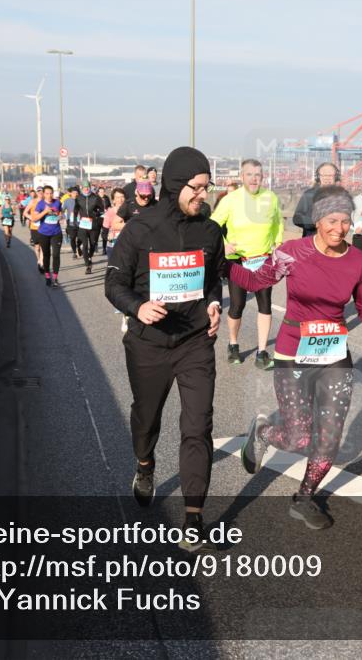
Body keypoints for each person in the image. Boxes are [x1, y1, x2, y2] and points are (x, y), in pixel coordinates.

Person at [233, 185, 362, 528]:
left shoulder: (356, 260)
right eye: (332, 220)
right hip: (294, 350)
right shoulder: (292, 252)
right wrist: (221, 263)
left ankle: (304, 498)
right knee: (298, 437)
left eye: (346, 221)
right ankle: (264, 433)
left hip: (334, 353)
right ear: (318, 220)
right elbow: (255, 280)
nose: (340, 228)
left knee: (329, 438)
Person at [105, 146, 225, 552]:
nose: (202, 196)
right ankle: (144, 463)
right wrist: (138, 307)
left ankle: (194, 516)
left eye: (207, 189)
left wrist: (213, 303)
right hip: (149, 345)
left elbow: (214, 280)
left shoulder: (209, 231)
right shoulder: (140, 229)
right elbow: (114, 284)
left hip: (194, 342)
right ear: (175, 185)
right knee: (146, 418)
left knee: (198, 425)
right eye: (196, 188)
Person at [211, 159, 282, 369]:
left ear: (262, 177)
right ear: (242, 177)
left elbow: (278, 222)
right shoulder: (230, 199)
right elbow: (213, 224)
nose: (254, 179)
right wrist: (223, 244)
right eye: (249, 174)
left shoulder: (271, 198)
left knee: (265, 305)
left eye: (258, 175)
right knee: (237, 305)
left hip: (264, 260)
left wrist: (277, 243)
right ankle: (233, 344)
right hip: (238, 261)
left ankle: (262, 353)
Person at [293, 162, 340, 237]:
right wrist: (315, 222)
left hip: (333, 242)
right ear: (318, 177)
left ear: (336, 177)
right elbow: (296, 218)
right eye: (324, 175)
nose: (327, 178)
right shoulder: (308, 195)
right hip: (311, 242)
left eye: (330, 175)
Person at [33, 185, 64, 287]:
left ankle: (55, 278)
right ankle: (47, 276)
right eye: (47, 193)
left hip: (56, 233)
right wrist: (45, 211)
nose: (49, 195)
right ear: (44, 194)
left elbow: (61, 214)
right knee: (46, 255)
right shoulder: (40, 204)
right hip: (44, 233)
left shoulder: (57, 202)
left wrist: (60, 216)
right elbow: (34, 218)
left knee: (56, 255)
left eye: (51, 193)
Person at [74, 184, 104, 274]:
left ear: (90, 188)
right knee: (85, 245)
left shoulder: (95, 197)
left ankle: (90, 257)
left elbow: (101, 209)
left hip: (93, 224)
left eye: (87, 187)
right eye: (84, 187)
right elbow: (76, 209)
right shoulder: (78, 198)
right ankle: (88, 265)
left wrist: (97, 214)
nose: (86, 189)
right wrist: (75, 220)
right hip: (83, 224)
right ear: (82, 188)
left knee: (93, 244)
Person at [93, 185, 112, 257]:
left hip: (105, 218)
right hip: (98, 218)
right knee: (96, 234)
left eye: (103, 191)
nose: (102, 193)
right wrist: (99, 212)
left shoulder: (106, 198)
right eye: (101, 192)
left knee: (105, 234)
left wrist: (108, 209)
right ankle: (95, 246)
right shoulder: (95, 198)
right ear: (98, 192)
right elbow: (93, 208)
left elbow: (109, 206)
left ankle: (104, 248)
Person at [62, 185, 80, 258]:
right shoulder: (67, 201)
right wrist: (64, 218)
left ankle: (78, 247)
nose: (75, 194)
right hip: (71, 222)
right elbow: (62, 211)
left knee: (81, 238)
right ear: (70, 193)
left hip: (80, 223)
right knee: (72, 238)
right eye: (73, 193)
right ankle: (74, 252)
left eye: (76, 193)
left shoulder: (80, 200)